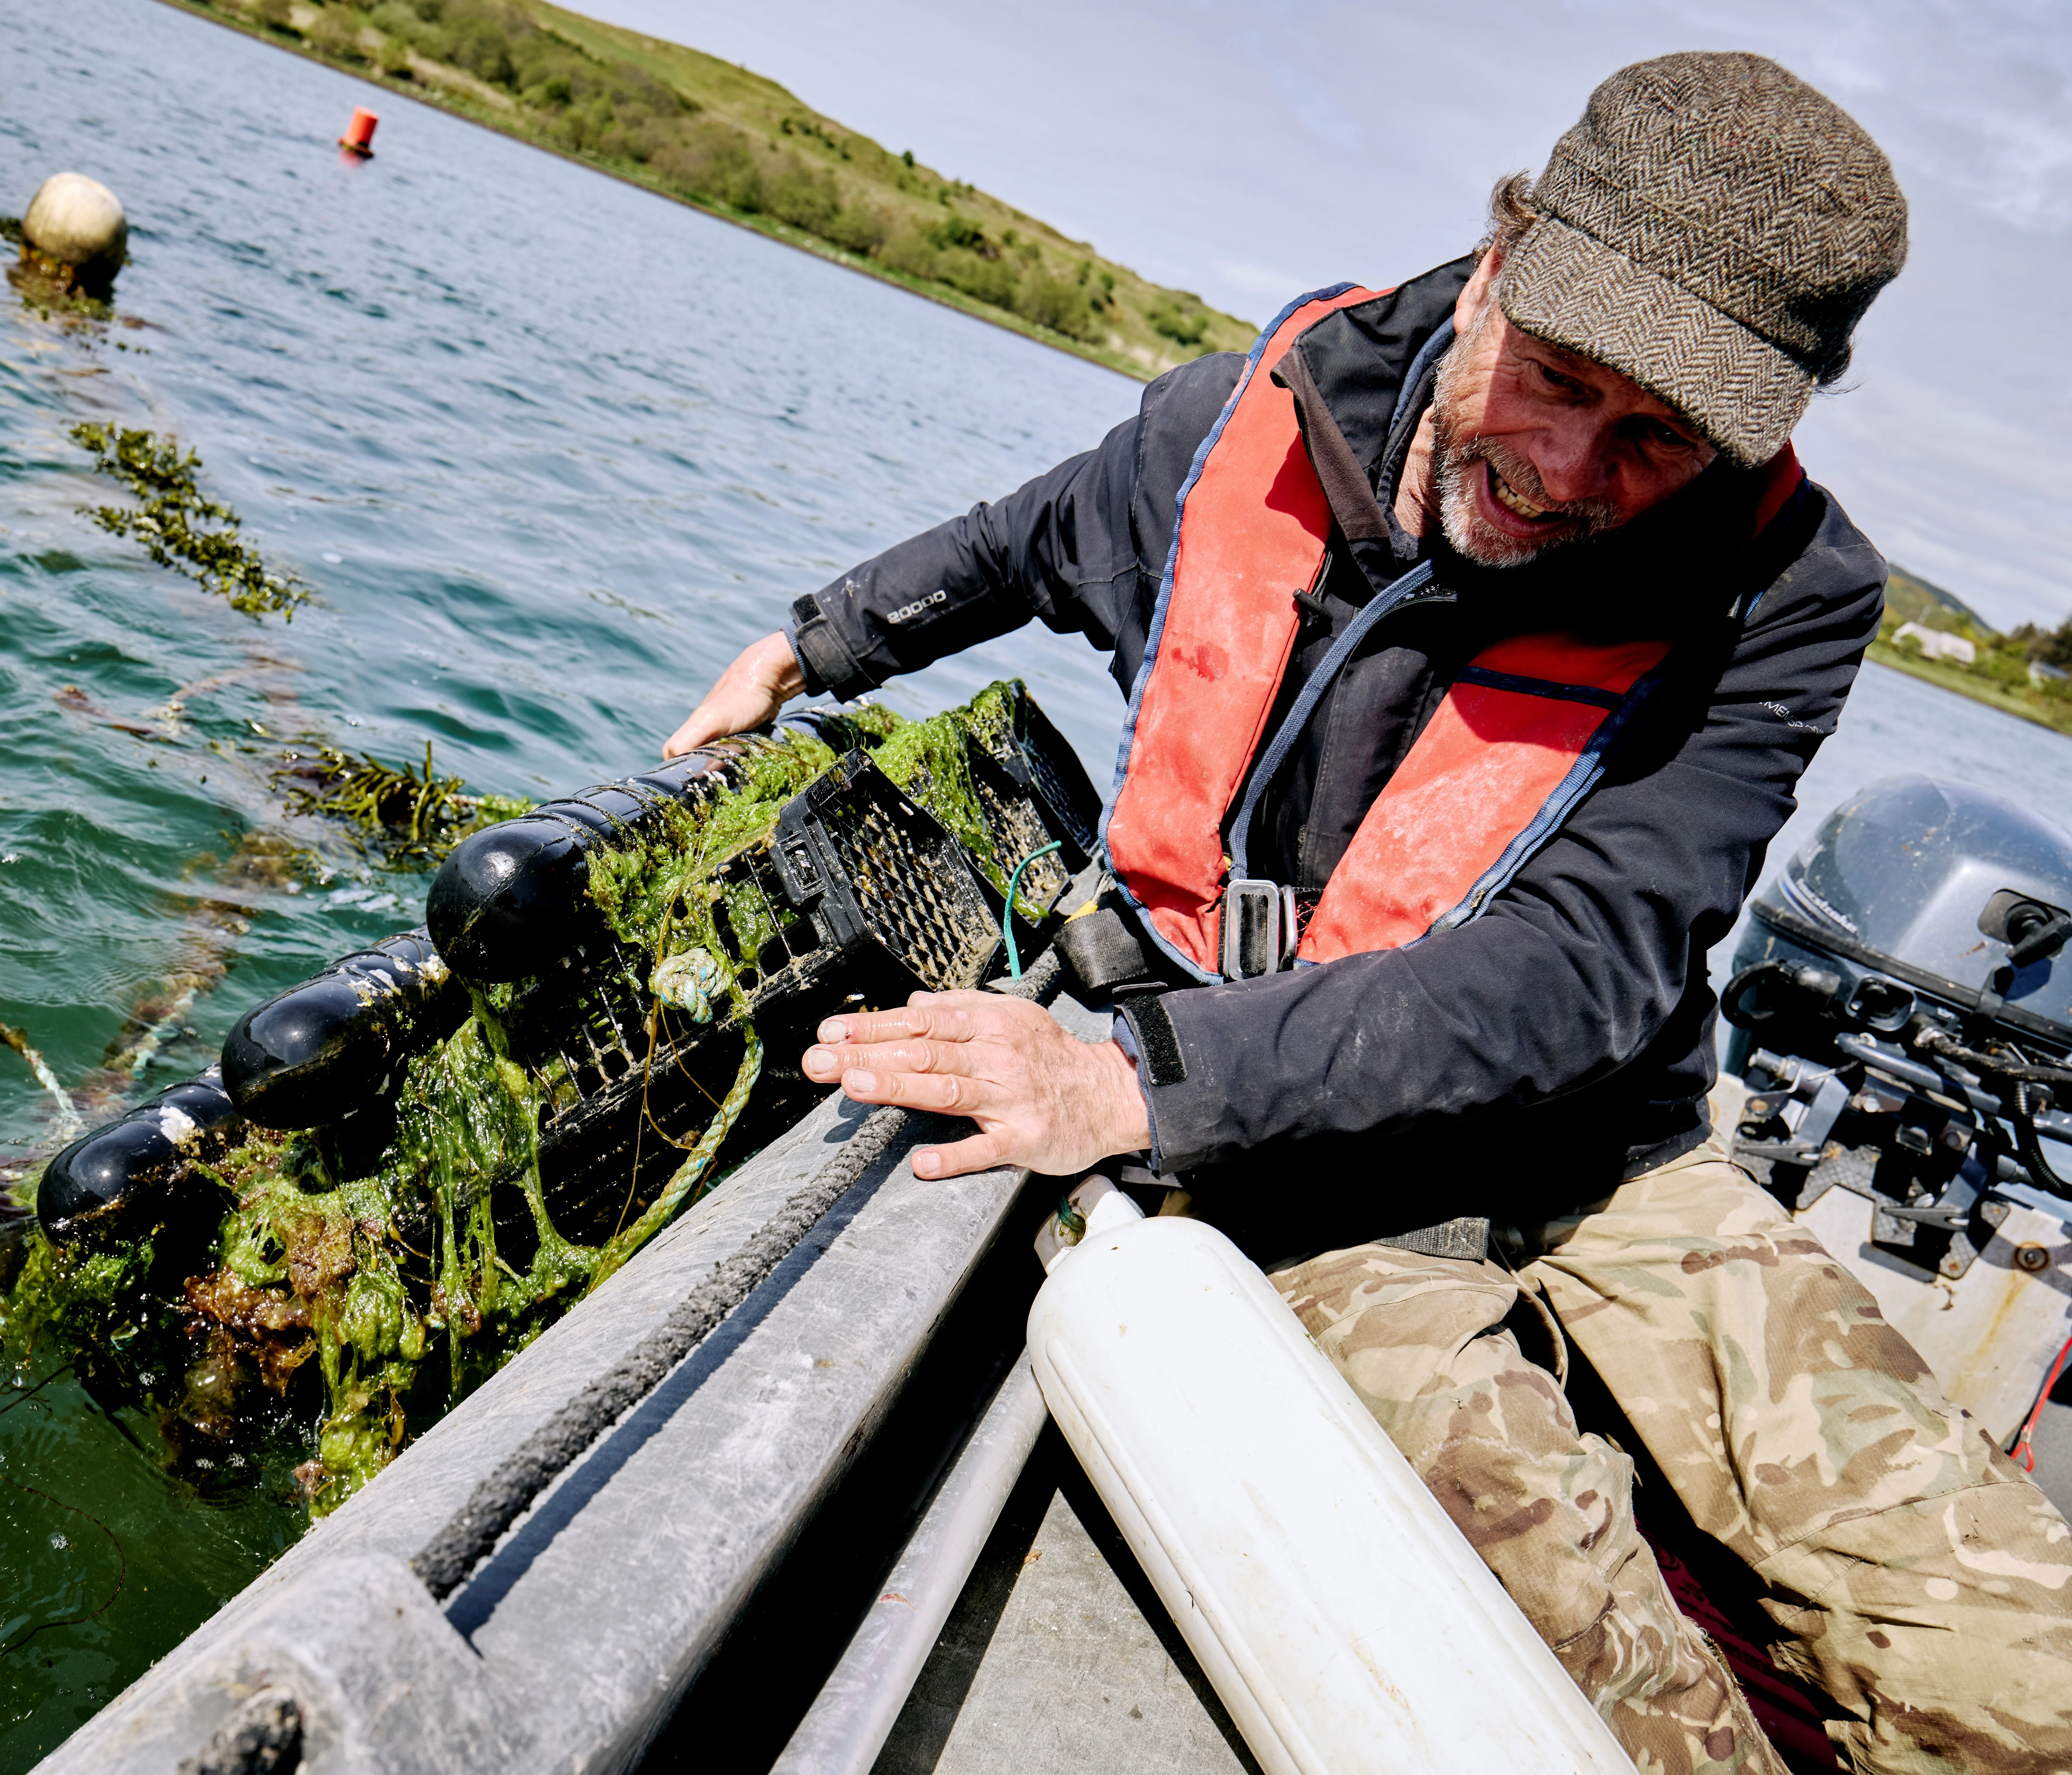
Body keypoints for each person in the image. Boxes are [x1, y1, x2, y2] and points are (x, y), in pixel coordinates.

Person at [665, 52, 2072, 1775]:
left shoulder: (1794, 595)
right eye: (1554, 380)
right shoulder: (1248, 419)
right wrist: (819, 637)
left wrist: (1126, 1083)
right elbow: (1038, 534)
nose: (1563, 471)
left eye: (1654, 440)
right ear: (1497, 268)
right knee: (1614, 1694)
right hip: (1285, 1151)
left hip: (1590, 1147)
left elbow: (1581, 970)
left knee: (2025, 1677)